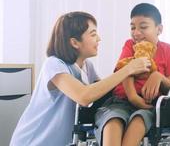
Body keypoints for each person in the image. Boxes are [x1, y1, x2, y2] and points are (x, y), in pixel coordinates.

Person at [10, 12, 151, 146]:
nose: (99, 39)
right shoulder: (54, 64)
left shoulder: (86, 66)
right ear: (75, 42)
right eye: (93, 34)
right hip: (33, 142)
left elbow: (102, 92)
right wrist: (128, 69)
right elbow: (84, 96)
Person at [95, 3, 170, 146]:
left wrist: (158, 77)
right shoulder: (130, 45)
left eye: (143, 27)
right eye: (132, 27)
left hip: (150, 106)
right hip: (121, 100)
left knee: (139, 120)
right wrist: (133, 96)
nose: (136, 33)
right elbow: (124, 70)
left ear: (159, 29)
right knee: (113, 120)